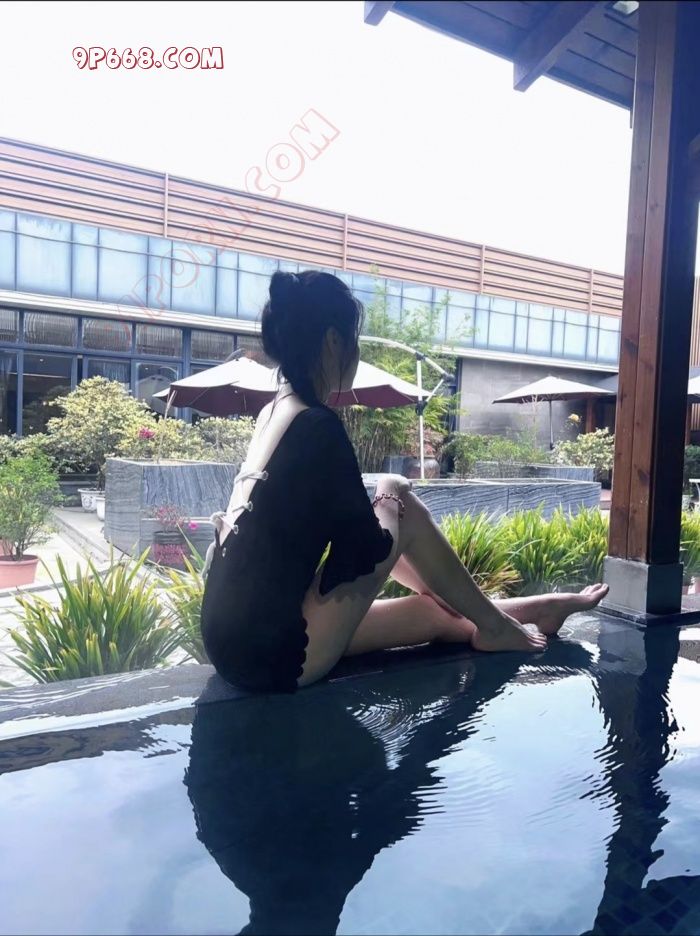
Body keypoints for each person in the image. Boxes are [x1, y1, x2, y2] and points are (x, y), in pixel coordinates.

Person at [200, 270, 608, 693]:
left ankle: (536, 610)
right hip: (278, 656)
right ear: (333, 341)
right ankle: (495, 625)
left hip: (232, 645)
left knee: (429, 614)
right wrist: (392, 492)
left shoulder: (274, 413)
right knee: (400, 504)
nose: (356, 352)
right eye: (354, 339)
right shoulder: (317, 426)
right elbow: (368, 548)